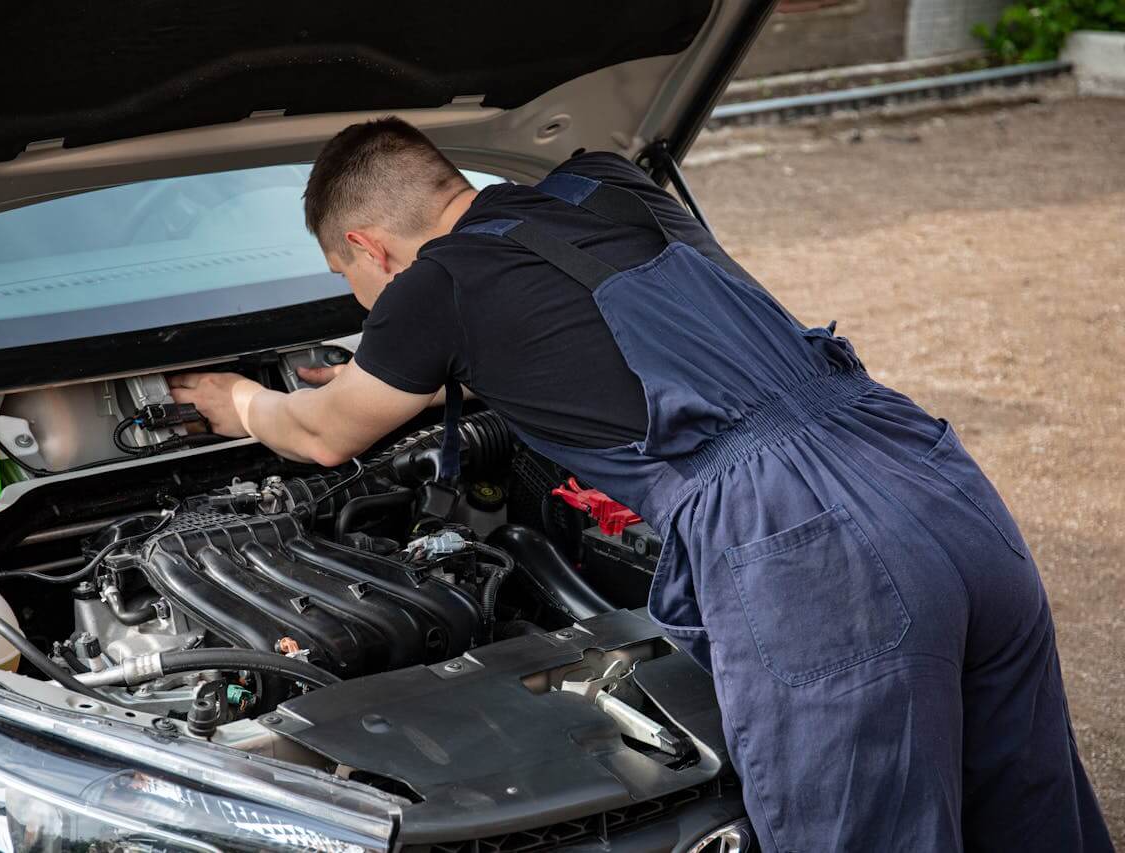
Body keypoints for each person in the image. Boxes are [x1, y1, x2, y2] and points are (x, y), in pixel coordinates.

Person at [168, 117, 1112, 851]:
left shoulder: (437, 285)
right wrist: (422, 365)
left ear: (371, 246)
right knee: (1026, 807)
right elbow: (617, 322)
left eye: (355, 283)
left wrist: (240, 400)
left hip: (806, 539)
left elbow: (324, 435)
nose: (370, 309)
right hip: (922, 466)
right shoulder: (612, 184)